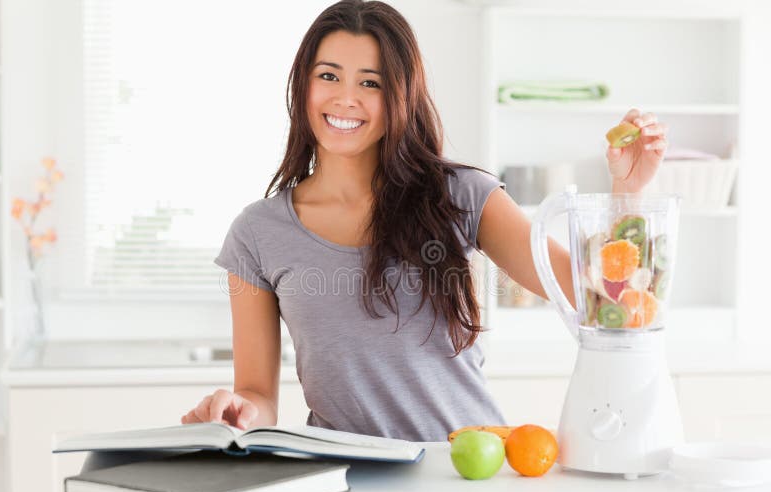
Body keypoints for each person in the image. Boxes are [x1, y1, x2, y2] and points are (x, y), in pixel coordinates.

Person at [181, 0, 667, 442]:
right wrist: (237, 413)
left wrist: (628, 193)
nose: (345, 98)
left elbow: (598, 296)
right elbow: (258, 395)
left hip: (465, 471)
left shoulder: (462, 196)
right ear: (303, 84)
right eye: (328, 76)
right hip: (348, 478)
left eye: (370, 82)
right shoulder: (258, 234)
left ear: (400, 96)